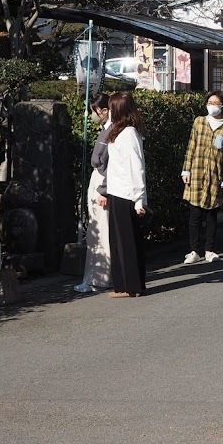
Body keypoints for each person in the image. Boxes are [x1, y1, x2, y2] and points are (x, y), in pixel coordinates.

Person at [181, 90, 223, 265]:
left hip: (215, 177)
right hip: (197, 173)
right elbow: (191, 146)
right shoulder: (199, 122)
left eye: (216, 103)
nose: (212, 106)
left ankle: (209, 250)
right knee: (194, 216)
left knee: (211, 216)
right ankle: (194, 251)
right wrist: (186, 170)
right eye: (209, 103)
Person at [103, 92, 148, 297]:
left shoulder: (129, 134)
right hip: (116, 191)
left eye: (112, 108)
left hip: (126, 194)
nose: (108, 111)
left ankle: (134, 286)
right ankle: (123, 284)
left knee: (128, 242)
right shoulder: (118, 131)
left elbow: (136, 167)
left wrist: (139, 199)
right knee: (119, 241)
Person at [75, 94, 113, 293]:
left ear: (104, 111)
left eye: (93, 111)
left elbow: (111, 164)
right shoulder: (108, 130)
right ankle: (98, 277)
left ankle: (99, 278)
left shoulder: (112, 132)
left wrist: (104, 190)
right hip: (99, 182)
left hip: (102, 184)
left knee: (100, 231)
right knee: (97, 231)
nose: (91, 115)